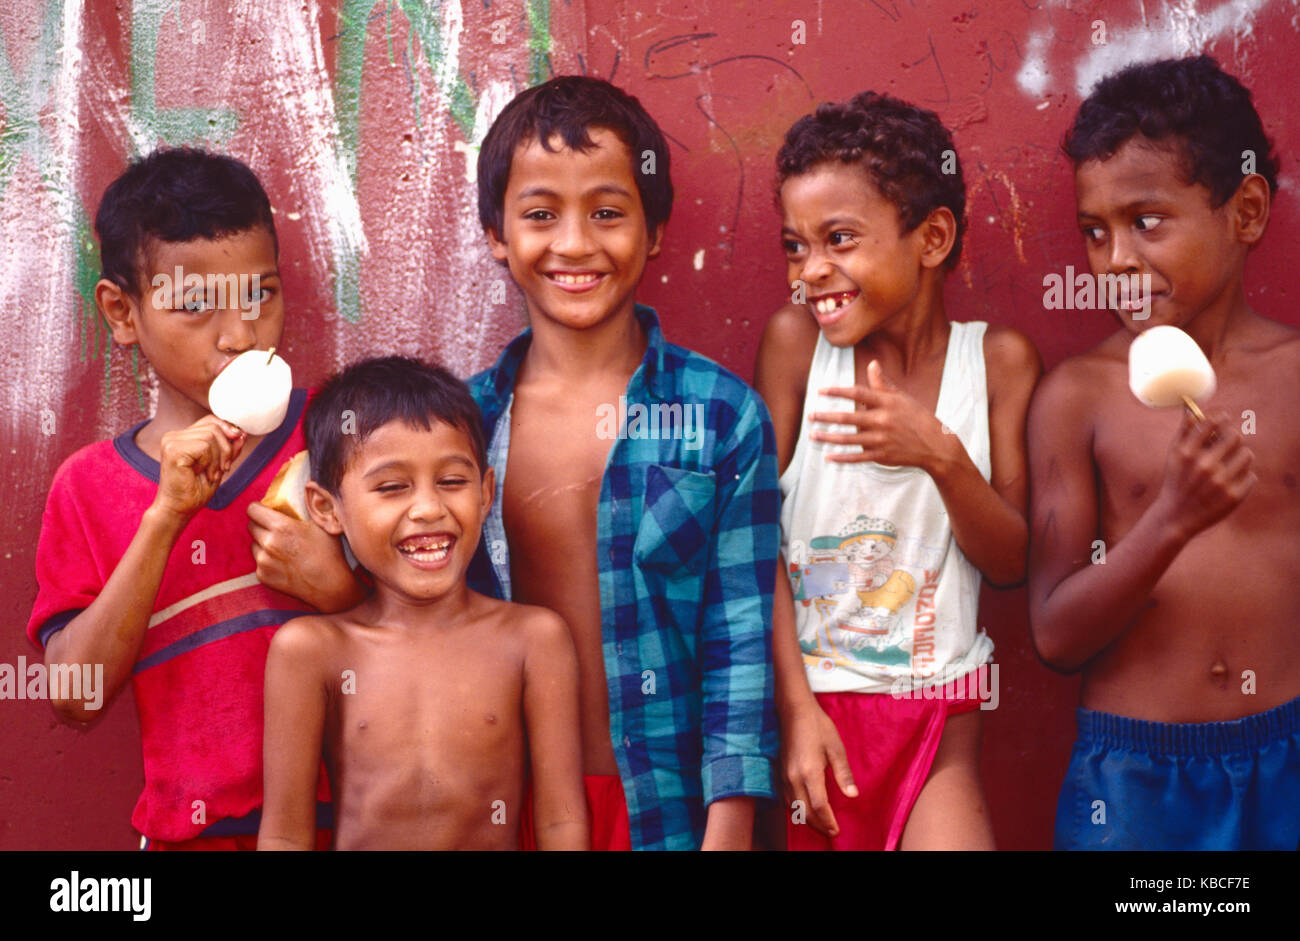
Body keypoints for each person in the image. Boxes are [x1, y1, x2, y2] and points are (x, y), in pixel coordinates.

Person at [468, 75, 781, 850]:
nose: (575, 244)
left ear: (655, 230)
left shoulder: (720, 416)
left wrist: (730, 828)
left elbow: (741, 630)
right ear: (497, 235)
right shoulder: (459, 427)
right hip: (504, 811)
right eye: (541, 215)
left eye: (607, 213)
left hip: (669, 814)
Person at [25, 146, 362, 849]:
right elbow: (75, 695)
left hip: (362, 824)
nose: (239, 334)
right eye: (195, 307)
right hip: (195, 834)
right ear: (122, 312)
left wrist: (341, 590)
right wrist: (165, 518)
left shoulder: (338, 429)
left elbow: (451, 611)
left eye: (260, 294)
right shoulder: (88, 488)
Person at [755, 91, 1040, 850]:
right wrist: (795, 713)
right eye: (794, 245)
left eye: (839, 239)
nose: (811, 270)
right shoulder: (795, 349)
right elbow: (753, 545)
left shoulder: (998, 363)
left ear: (933, 236)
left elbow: (1013, 562)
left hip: (939, 722)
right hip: (816, 717)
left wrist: (940, 455)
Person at [1029, 55, 1300, 850]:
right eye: (1094, 231)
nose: (1115, 261)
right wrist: (1169, 521)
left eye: (1146, 221)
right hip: (1136, 779)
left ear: (1246, 211)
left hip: (1287, 758)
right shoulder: (1078, 397)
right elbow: (1053, 634)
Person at [257, 357, 586, 850]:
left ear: (485, 492)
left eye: (453, 481)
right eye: (392, 487)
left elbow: (561, 823)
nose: (430, 509)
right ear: (327, 509)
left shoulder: (533, 640)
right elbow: (285, 835)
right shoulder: (311, 651)